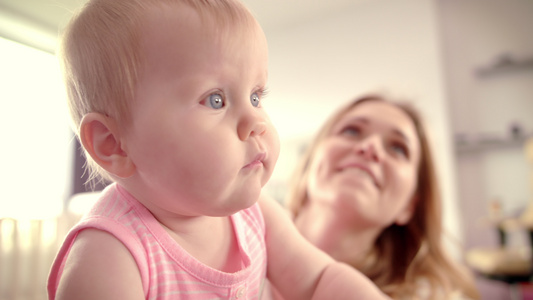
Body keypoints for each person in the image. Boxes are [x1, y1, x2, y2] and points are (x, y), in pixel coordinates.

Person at [47, 0, 391, 299]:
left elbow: (320, 281)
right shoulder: (111, 254)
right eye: (216, 99)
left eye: (256, 96)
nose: (256, 121)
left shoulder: (257, 215)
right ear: (113, 144)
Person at [286, 94, 480, 300]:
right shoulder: (250, 229)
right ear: (310, 161)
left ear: (409, 206)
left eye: (398, 148)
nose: (370, 147)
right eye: (351, 130)